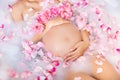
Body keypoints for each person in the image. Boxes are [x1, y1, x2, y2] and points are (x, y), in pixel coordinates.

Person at [11, 0, 120, 80]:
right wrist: (47, 27)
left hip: (86, 53)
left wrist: (85, 42)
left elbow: (81, 16)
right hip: (64, 66)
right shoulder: (17, 8)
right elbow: (21, 42)